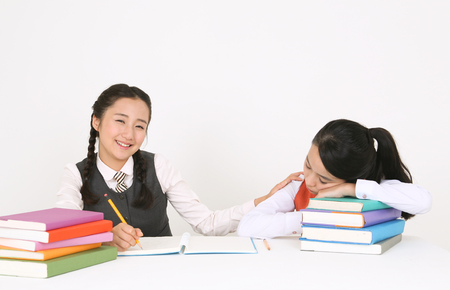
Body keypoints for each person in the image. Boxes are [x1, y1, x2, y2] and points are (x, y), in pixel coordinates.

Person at [56, 84, 284, 251]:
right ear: (96, 121)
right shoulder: (74, 174)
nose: (129, 134)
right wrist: (105, 236)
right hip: (102, 277)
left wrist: (262, 202)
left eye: (139, 126)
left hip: (163, 273)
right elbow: (64, 230)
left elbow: (207, 223)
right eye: (120, 121)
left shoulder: (159, 165)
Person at [237, 119, 432, 239]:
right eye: (308, 165)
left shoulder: (374, 190)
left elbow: (424, 202)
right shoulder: (297, 186)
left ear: (356, 178)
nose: (310, 181)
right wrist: (313, 219)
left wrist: (350, 190)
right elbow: (247, 226)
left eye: (324, 180)